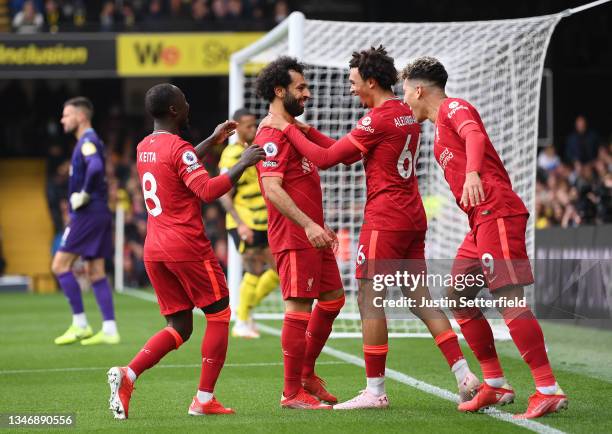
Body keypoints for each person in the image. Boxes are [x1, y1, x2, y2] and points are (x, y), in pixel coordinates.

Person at [260, 46, 477, 410]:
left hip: (385, 219)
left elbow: (329, 160)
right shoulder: (405, 114)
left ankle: (375, 391)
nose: (351, 89)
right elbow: (344, 150)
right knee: (419, 298)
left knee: (369, 299)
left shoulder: (376, 119)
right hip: (412, 215)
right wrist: (304, 129)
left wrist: (286, 128)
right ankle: (464, 375)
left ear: (371, 82)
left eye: (354, 82)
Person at [400, 56, 568, 419]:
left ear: (418, 89)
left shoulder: (453, 108)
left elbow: (474, 134)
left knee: (508, 297)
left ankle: (547, 388)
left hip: (497, 210)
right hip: (479, 223)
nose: (405, 101)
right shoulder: (436, 133)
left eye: (405, 93)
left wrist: (474, 173)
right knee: (458, 295)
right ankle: (495, 384)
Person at [106, 83, 264, 419]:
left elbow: (179, 160)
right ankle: (204, 399)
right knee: (219, 314)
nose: (189, 104)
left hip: (155, 247)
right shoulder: (180, 150)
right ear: (175, 110)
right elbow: (207, 190)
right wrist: (243, 163)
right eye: (184, 101)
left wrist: (212, 140)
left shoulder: (144, 146)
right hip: (187, 246)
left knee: (180, 325)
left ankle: (128, 375)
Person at [254, 56, 345, 409]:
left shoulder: (292, 129)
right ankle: (291, 392)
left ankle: (306, 374)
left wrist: (318, 224)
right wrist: (308, 224)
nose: (308, 93)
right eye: (301, 88)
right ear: (280, 91)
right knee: (298, 309)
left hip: (313, 234)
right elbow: (273, 189)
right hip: (295, 236)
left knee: (334, 298)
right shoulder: (271, 135)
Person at [51, 97, 119, 346]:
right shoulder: (88, 141)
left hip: (88, 212)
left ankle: (80, 324)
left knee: (59, 265)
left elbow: (96, 167)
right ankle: (110, 329)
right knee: (95, 270)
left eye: (66, 115)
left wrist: (85, 193)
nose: (62, 120)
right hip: (99, 212)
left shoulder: (88, 141)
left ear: (80, 117)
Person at [218, 108, 279, 338]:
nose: (252, 129)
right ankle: (241, 321)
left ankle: (246, 311)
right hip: (245, 222)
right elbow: (224, 193)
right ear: (236, 128)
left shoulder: (255, 151)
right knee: (253, 269)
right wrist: (240, 223)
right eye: (247, 125)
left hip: (264, 222)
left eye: (255, 125)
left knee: (279, 272)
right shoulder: (231, 154)